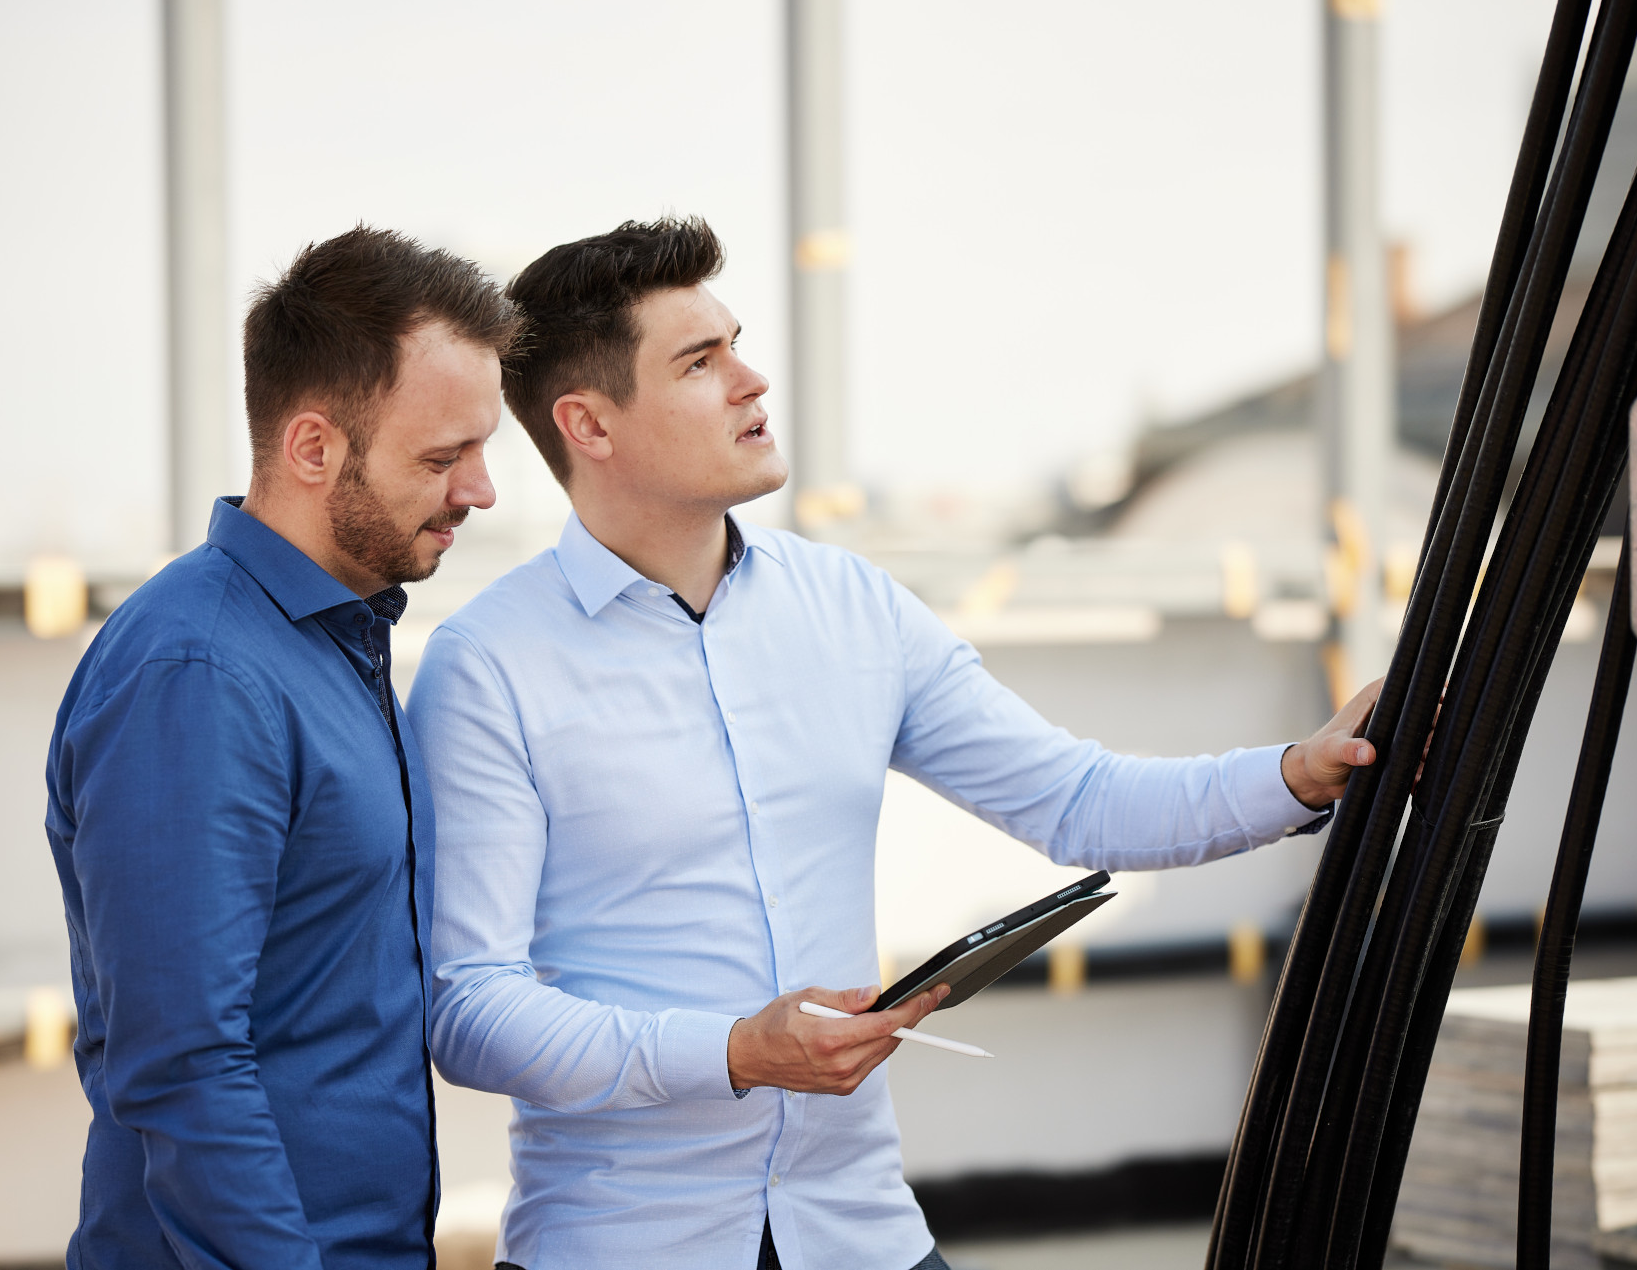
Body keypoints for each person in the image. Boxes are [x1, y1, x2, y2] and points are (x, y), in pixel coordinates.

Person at [409, 217, 1379, 1270]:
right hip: (622, 1243)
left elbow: (1077, 799)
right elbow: (471, 1010)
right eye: (701, 361)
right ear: (588, 426)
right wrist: (736, 1053)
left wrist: (1298, 773)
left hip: (859, 1232)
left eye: (737, 343)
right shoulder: (488, 665)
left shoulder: (853, 608)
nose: (752, 381)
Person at [44, 226, 515, 1268]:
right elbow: (182, 1062)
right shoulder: (201, 674)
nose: (480, 492)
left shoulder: (335, 643)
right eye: (443, 458)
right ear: (312, 449)